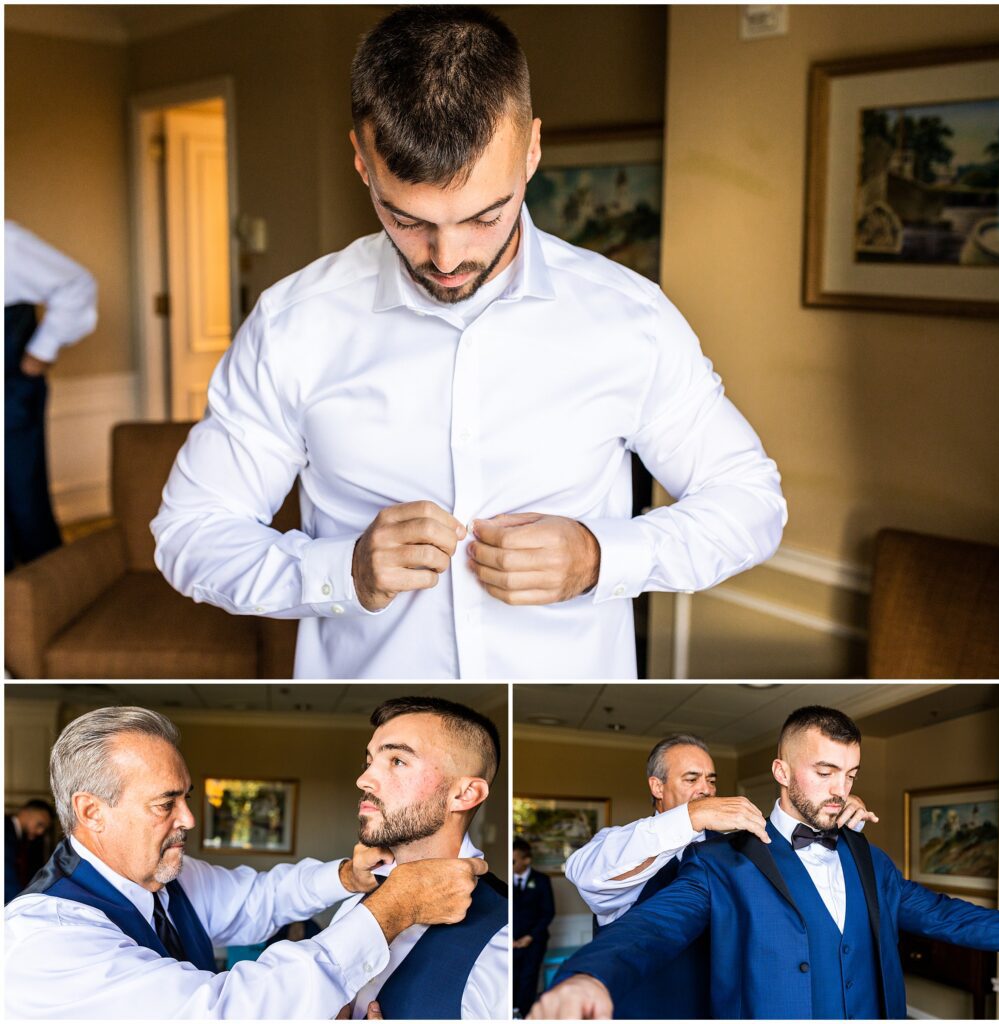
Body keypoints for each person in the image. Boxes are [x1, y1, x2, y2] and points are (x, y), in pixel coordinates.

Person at [150, 5, 787, 680]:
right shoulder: (293, 325)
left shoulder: (630, 318)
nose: (447, 257)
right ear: (362, 163)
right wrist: (343, 570)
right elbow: (190, 535)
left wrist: (602, 557)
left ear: (532, 149)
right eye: (407, 218)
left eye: (485, 216)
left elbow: (750, 504)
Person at [530, 705, 999, 1020]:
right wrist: (585, 976)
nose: (840, 789)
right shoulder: (721, 861)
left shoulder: (867, 857)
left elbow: (945, 914)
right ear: (781, 772)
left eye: (849, 775)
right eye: (824, 771)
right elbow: (649, 928)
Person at [4, 706, 488, 1019]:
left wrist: (345, 876)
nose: (189, 818)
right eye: (165, 803)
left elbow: (262, 897)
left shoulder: (165, 877)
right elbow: (225, 1013)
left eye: (186, 797)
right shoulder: (43, 938)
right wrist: (393, 909)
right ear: (92, 811)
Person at [563, 732, 876, 1018]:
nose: (706, 789)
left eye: (711, 779)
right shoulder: (621, 843)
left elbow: (793, 836)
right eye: (691, 778)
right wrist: (692, 816)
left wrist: (834, 806)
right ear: (657, 786)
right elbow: (584, 873)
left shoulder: (734, 844)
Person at [326, 696, 508, 1019]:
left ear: (465, 794)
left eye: (397, 761)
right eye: (369, 761)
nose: (364, 780)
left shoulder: (502, 940)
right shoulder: (352, 906)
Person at [5, 221, 97, 572]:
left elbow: (77, 284)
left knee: (22, 498)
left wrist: (39, 355)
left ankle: (49, 598)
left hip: (11, 392)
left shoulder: (6, 242)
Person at [512, 838, 555, 1017]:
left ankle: (524, 1013)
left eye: (513, 861)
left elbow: (548, 912)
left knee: (528, 978)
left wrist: (530, 936)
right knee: (511, 977)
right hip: (510, 941)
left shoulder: (542, 880)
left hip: (534, 940)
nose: (511, 864)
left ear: (526, 860)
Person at [5, 799, 55, 905]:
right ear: (25, 813)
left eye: (44, 829)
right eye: (40, 824)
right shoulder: (5, 831)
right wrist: (21, 905)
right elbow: (6, 876)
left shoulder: (20, 838)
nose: (40, 832)